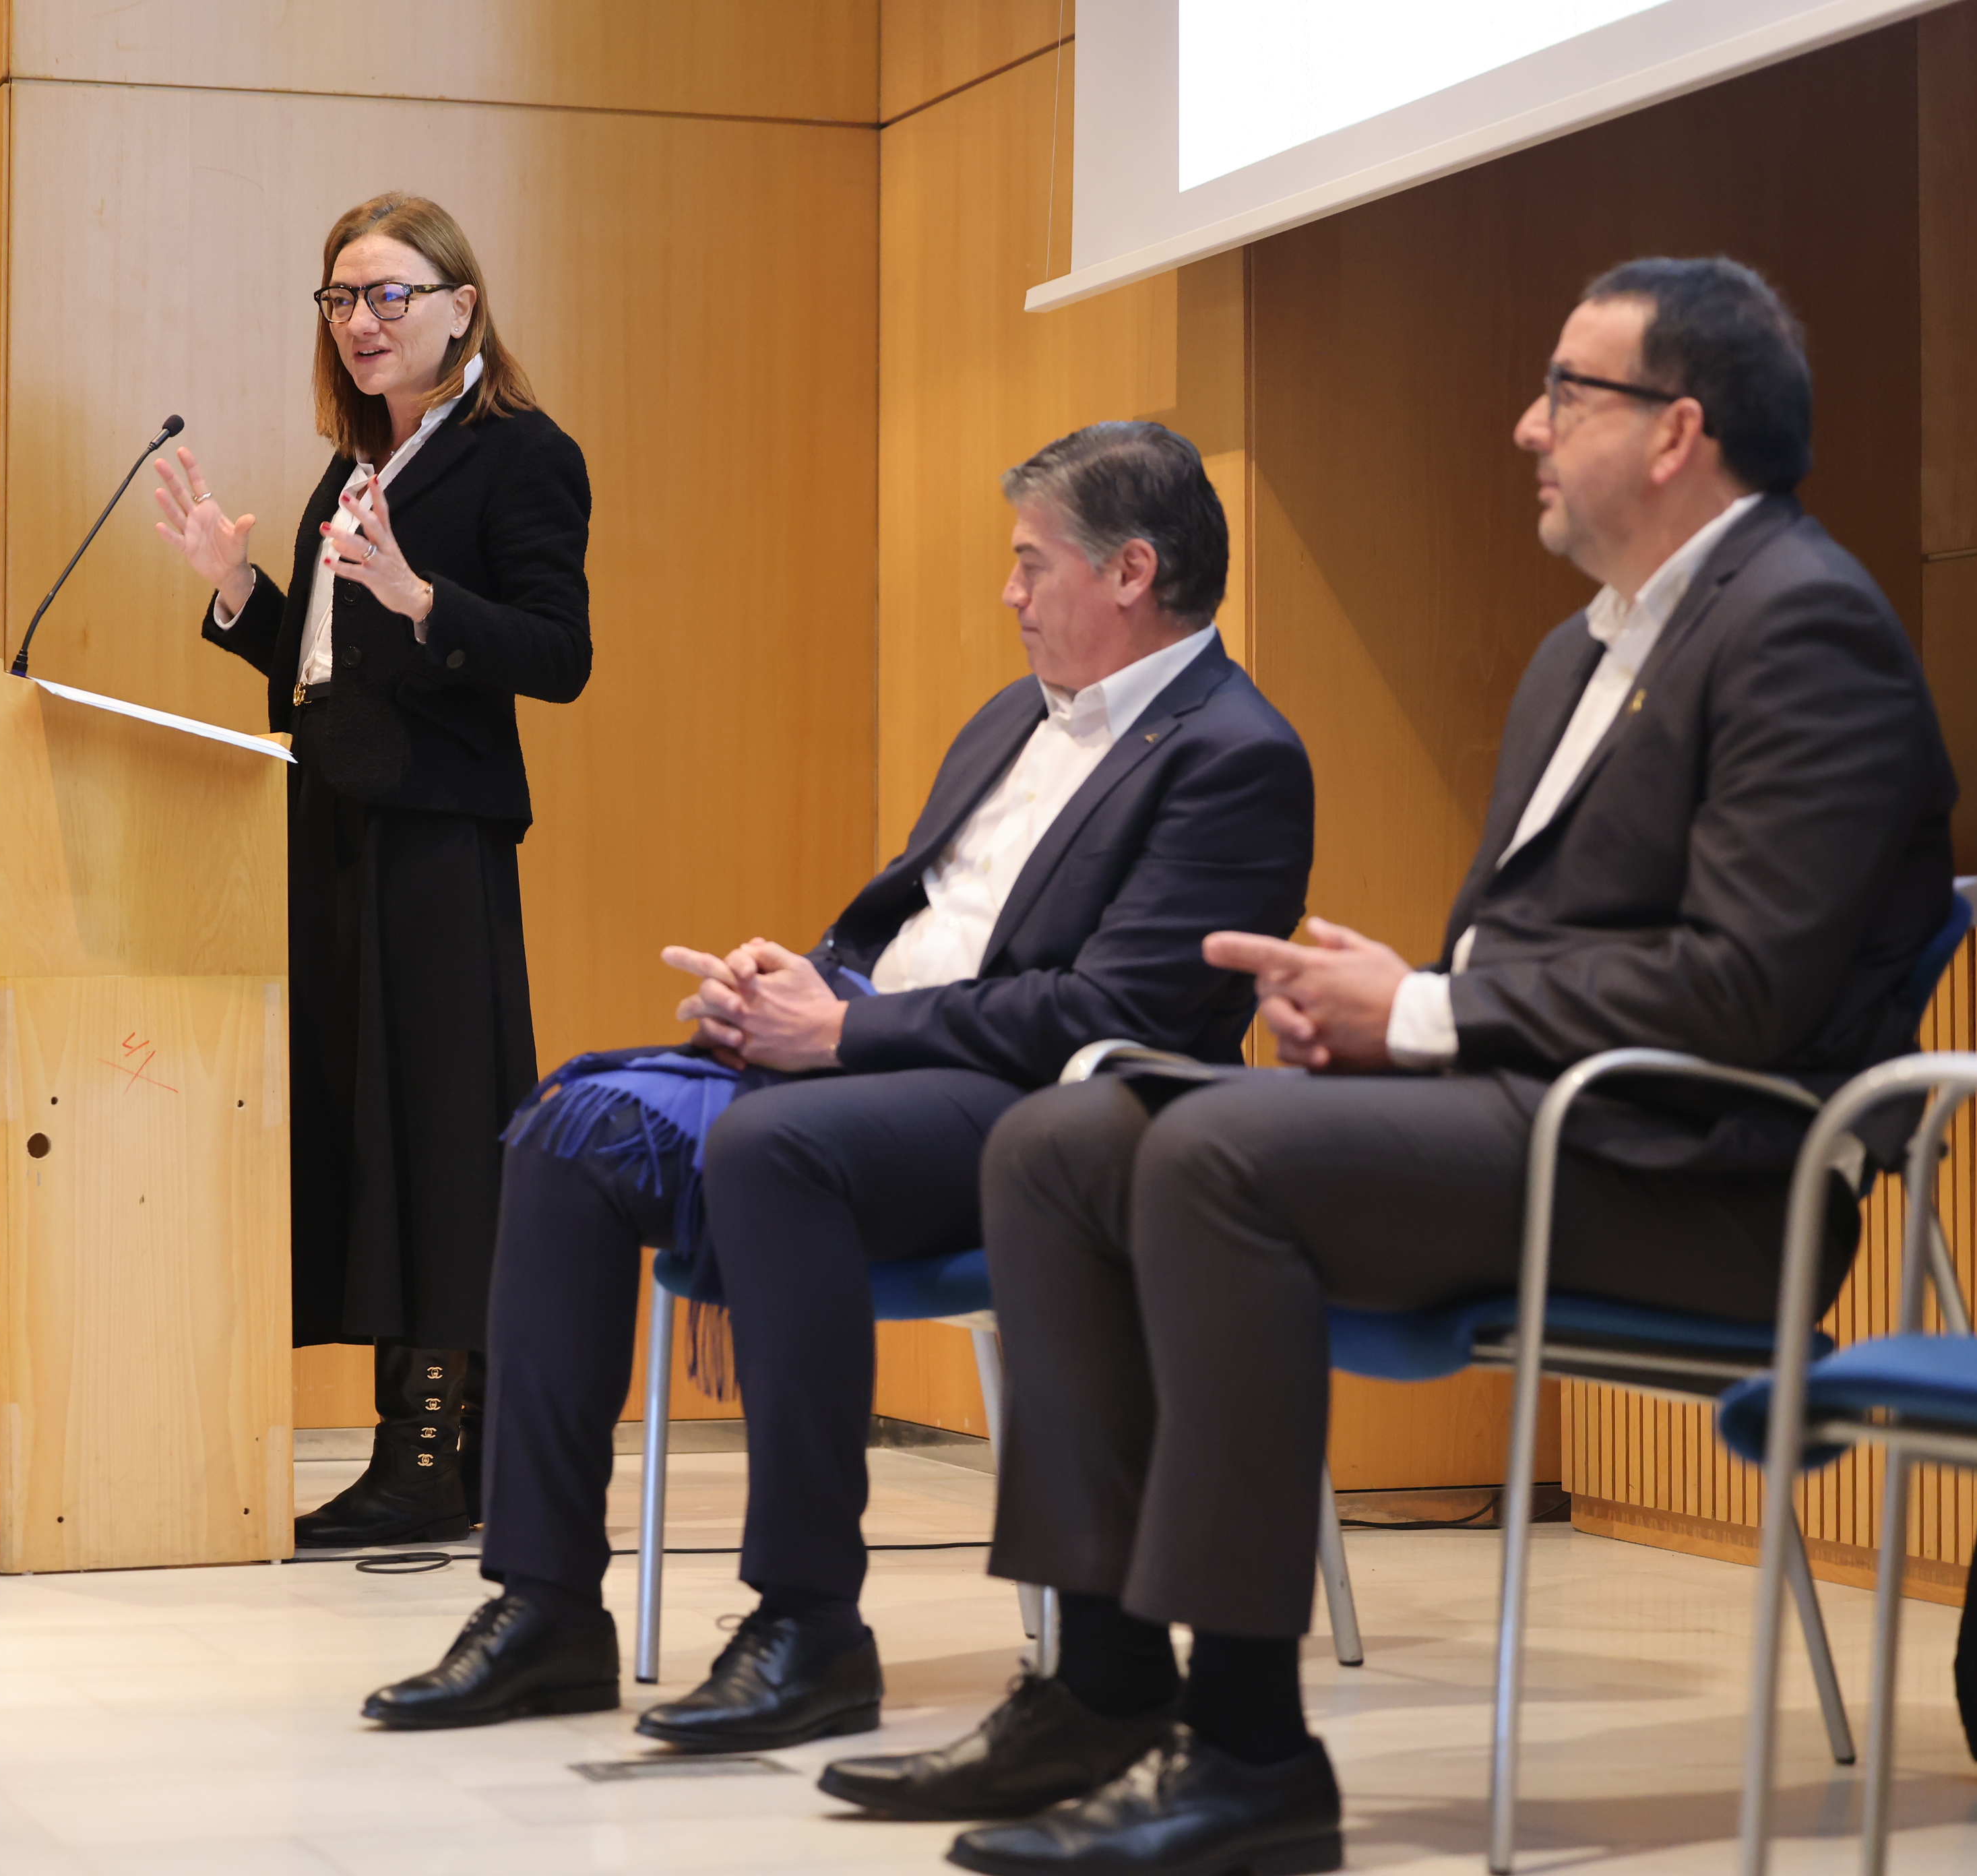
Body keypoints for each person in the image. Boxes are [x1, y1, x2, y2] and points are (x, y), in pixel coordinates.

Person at [819, 257, 1959, 1875]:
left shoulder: (1805, 629)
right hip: (1545, 1122)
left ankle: (1254, 1757)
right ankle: (1099, 1684)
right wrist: (1368, 1004)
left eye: (1568, 393)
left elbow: (1745, 994)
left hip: (1708, 1175)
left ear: (1679, 430)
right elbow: (1539, 957)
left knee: (1218, 1159)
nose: (1527, 427)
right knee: (1066, 1142)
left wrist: (1416, 1014)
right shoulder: (1585, 651)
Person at [358, 422, 1316, 1751]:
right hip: (883, 1050)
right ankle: (545, 1605)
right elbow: (905, 928)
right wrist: (790, 988)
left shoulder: (1236, 756)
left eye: (1033, 565)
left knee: (777, 1151)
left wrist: (842, 1041)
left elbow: (1116, 1015)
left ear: (1132, 573)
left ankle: (810, 1621)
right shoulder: (1008, 716)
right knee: (567, 1129)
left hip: (1047, 1107)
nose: (1010, 593)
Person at [151, 192, 593, 1549]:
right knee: (367, 1131)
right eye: (342, 297)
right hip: (333, 832)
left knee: (443, 1140)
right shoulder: (355, 472)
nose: (362, 321)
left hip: (439, 842)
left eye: (391, 294)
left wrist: (423, 600)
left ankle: (438, 1459)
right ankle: (408, 1446)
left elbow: (557, 656)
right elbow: (325, 680)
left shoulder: (520, 458)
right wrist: (239, 595)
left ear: (464, 306)